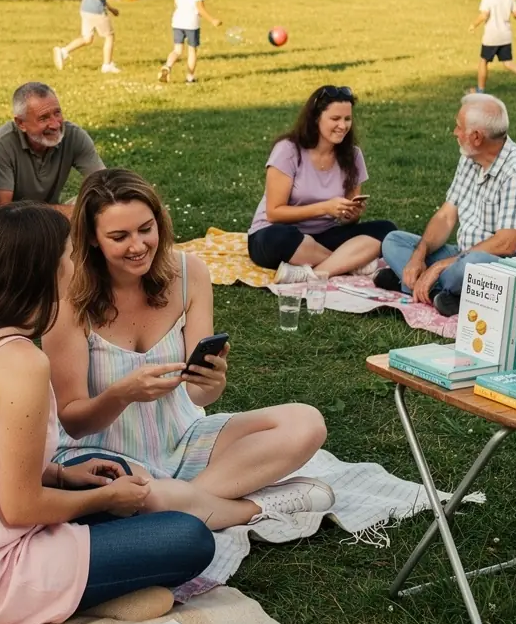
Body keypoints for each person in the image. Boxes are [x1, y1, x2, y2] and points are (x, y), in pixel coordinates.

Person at [0, 202, 215, 624]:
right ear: (44, 271)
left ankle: (87, 583)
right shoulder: (20, 362)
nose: (77, 263)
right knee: (188, 538)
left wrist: (62, 478)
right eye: (69, 255)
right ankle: (73, 600)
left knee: (107, 470)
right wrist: (102, 500)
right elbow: (20, 507)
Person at [43, 168, 333, 531]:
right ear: (93, 240)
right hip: (102, 453)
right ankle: (251, 508)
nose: (138, 246)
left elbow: (198, 393)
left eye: (145, 229)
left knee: (306, 422)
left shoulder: (188, 273)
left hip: (183, 437)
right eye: (119, 236)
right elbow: (73, 419)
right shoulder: (69, 298)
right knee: (135, 495)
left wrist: (213, 380)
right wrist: (122, 394)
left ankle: (185, 502)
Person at [376, 94, 516, 316]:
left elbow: (506, 244)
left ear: (476, 137)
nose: (454, 132)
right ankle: (440, 293)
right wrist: (418, 255)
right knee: (394, 241)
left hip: (511, 269)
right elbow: (446, 216)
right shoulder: (471, 157)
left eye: (458, 127)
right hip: (465, 255)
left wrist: (438, 266)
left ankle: (411, 284)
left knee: (471, 264)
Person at [246, 86, 396, 284]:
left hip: (322, 236)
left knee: (386, 230)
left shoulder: (353, 155)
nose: (342, 126)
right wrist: (325, 208)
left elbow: (348, 219)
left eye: (347, 119)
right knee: (280, 237)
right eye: (335, 119)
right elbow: (274, 213)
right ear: (316, 118)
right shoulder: (288, 150)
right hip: (277, 233)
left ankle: (312, 274)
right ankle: (349, 265)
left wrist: (351, 215)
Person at [0, 82, 104, 215]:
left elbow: (105, 183)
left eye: (57, 113)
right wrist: (69, 211)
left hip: (51, 218)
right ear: (21, 123)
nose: (55, 125)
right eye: (43, 118)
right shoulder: (1, 144)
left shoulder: (73, 135)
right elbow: (3, 212)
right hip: (15, 225)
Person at [158, 0, 221, 85]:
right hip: (191, 23)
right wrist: (212, 20)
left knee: (177, 50)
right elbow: (200, 8)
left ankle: (167, 66)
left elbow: (176, 2)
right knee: (192, 50)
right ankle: (190, 78)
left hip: (177, 20)